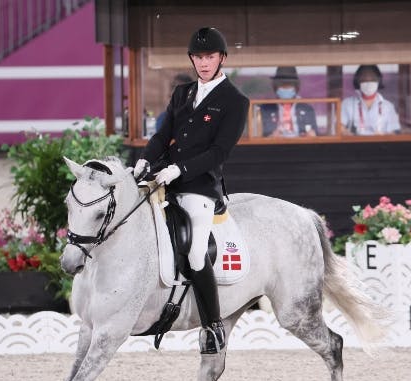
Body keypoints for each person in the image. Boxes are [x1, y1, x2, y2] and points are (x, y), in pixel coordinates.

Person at [133, 27, 250, 355]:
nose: (203, 63)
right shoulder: (182, 93)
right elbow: (162, 135)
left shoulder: (235, 101)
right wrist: (145, 160)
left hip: (199, 187)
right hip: (163, 179)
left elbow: (219, 152)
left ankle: (213, 326)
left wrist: (180, 169)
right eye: (198, 57)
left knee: (196, 251)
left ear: (221, 58)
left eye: (209, 56)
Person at [341, 64, 401, 135]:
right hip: (354, 144)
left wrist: (383, 136)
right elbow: (339, 128)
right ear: (358, 81)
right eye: (364, 79)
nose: (368, 82)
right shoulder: (347, 104)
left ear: (379, 80)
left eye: (372, 79)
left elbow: (394, 132)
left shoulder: (388, 106)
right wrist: (350, 136)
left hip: (381, 145)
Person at [260, 66, 318, 137]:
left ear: (296, 87)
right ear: (275, 87)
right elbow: (260, 135)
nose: (285, 88)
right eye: (282, 85)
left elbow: (315, 133)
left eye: (289, 85)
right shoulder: (266, 109)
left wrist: (311, 135)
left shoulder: (307, 109)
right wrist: (271, 137)